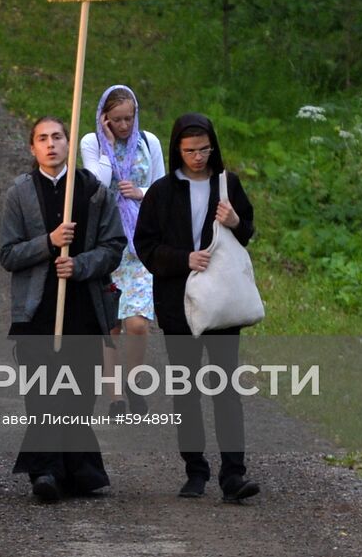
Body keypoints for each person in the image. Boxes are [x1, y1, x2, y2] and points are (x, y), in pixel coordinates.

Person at [135, 112, 259, 503]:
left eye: (204, 148)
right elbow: (146, 246)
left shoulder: (228, 185)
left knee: (226, 390)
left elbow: (248, 233)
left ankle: (234, 474)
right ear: (177, 150)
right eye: (189, 150)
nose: (198, 156)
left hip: (222, 303)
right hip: (178, 304)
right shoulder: (161, 192)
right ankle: (195, 470)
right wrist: (183, 259)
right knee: (185, 390)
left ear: (213, 146)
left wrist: (236, 219)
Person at [0, 116, 124, 503]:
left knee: (79, 394)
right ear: (32, 147)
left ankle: (77, 471)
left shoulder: (93, 191)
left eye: (57, 137)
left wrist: (80, 264)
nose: (50, 144)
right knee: (42, 394)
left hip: (83, 310)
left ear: (69, 143)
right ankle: (46, 471)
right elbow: (8, 254)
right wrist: (49, 243)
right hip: (36, 313)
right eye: (42, 139)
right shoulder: (19, 193)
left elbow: (114, 245)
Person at [79, 85, 165, 414]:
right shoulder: (92, 142)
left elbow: (161, 185)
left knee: (138, 322)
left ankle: (134, 379)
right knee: (111, 323)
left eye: (129, 118)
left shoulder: (148, 142)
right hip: (105, 239)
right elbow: (94, 186)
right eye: (117, 120)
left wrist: (140, 192)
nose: (125, 125)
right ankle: (115, 395)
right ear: (105, 118)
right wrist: (108, 146)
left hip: (140, 241)